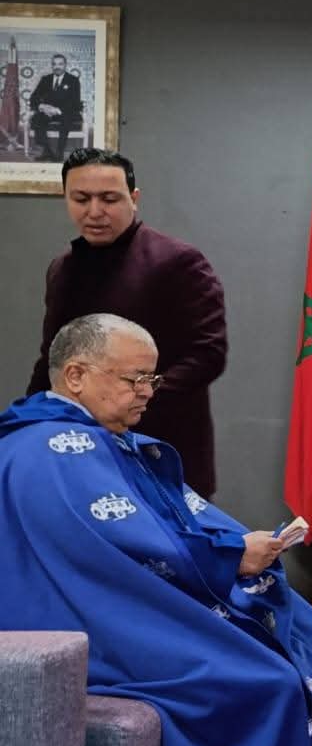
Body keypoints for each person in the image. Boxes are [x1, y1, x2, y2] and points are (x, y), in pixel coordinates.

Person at [0, 314, 312, 746]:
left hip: (122, 598)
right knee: (266, 680)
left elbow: (168, 519)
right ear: (76, 375)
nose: (146, 392)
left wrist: (238, 545)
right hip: (89, 620)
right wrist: (229, 558)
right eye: (133, 379)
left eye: (151, 380)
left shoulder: (95, 436)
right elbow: (118, 548)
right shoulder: (53, 449)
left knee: (309, 629)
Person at [26, 149, 228, 497]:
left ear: (133, 198)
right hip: (79, 452)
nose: (94, 211)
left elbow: (207, 355)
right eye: (81, 199)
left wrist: (127, 400)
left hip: (162, 449)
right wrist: (28, 422)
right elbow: (52, 359)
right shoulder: (62, 269)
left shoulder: (179, 261)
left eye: (109, 199)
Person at [27, 52, 83, 161]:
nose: (57, 67)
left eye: (60, 64)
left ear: (65, 65)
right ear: (52, 66)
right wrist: (43, 106)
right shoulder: (46, 79)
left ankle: (59, 153)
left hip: (65, 112)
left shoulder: (73, 80)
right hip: (48, 111)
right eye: (54, 64)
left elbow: (75, 102)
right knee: (37, 119)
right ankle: (47, 151)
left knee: (66, 119)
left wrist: (58, 110)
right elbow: (34, 97)